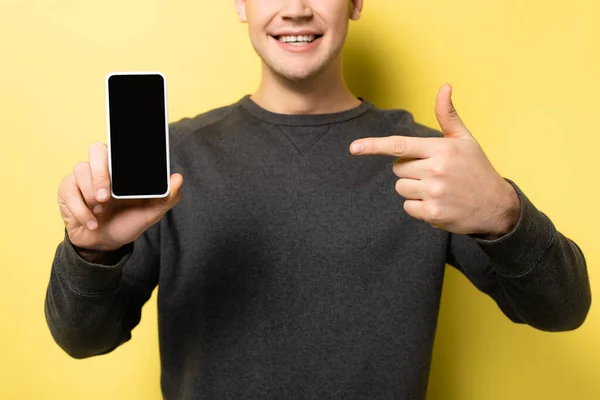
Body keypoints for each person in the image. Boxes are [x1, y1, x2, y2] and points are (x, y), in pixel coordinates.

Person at [45, 1, 591, 399]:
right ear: (241, 4)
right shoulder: (174, 157)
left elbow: (563, 310)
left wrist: (504, 213)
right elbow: (82, 340)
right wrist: (90, 255)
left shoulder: (428, 161)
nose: (297, 9)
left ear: (355, 3)